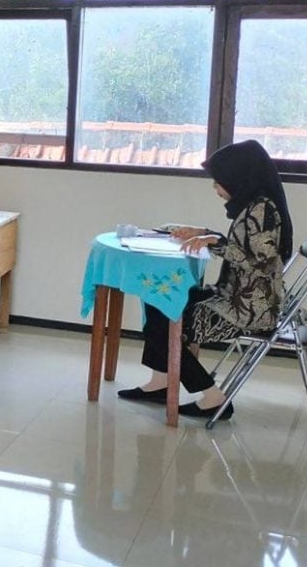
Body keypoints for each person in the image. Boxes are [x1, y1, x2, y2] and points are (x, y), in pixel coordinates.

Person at [119, 140, 292, 421]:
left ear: (239, 177)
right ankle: (162, 380)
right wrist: (204, 233)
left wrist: (212, 243)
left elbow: (260, 260)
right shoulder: (255, 205)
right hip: (237, 296)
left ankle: (212, 397)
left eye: (219, 182)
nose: (216, 188)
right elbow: (247, 247)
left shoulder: (262, 210)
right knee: (158, 300)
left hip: (246, 309)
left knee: (166, 321)